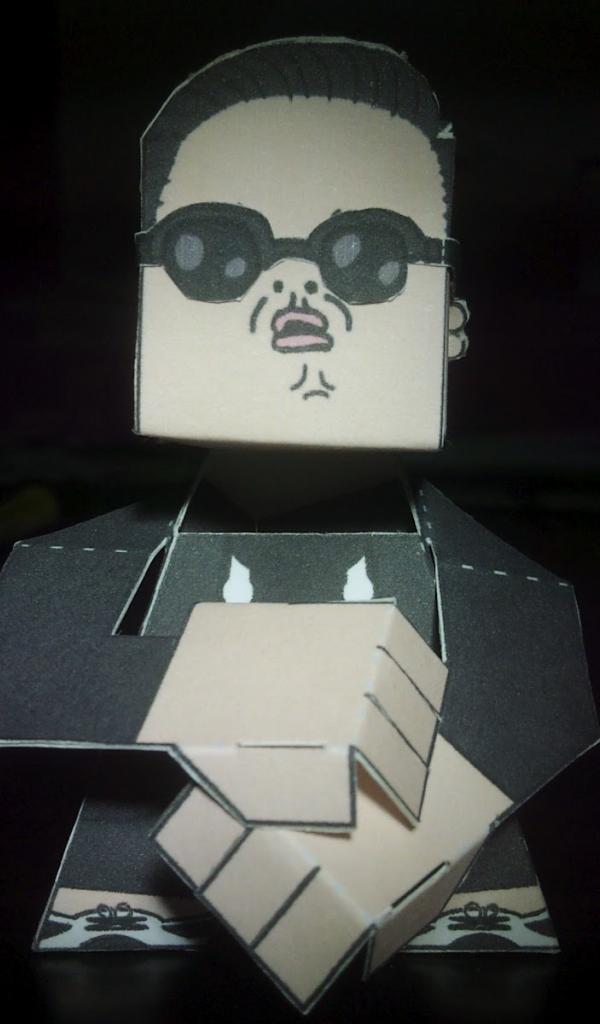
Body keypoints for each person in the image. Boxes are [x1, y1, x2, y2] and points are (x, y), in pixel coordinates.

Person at [1, 38, 596, 1011]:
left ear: (452, 320)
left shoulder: (482, 574)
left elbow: (537, 682)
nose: (295, 299)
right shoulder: (100, 555)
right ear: (145, 310)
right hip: (154, 861)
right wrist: (241, 687)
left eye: (367, 255)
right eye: (212, 253)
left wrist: (384, 853)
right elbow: (31, 672)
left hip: (427, 861)